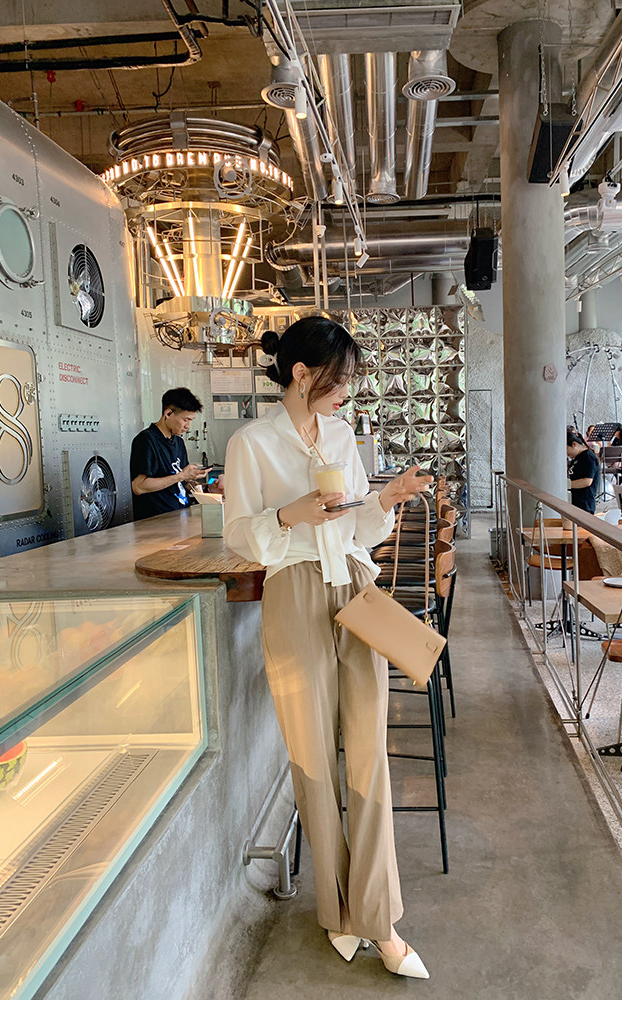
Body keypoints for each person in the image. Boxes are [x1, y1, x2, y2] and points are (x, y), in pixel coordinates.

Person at [222, 316, 433, 979]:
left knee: (369, 755)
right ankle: (338, 911)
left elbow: (360, 530)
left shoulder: (342, 436)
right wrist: (291, 515)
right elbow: (239, 536)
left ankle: (379, 919)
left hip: (355, 588)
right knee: (312, 759)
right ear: (301, 373)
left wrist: (386, 498)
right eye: (338, 381)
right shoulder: (251, 443)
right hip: (293, 594)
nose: (347, 393)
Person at [130, 387, 210, 520]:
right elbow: (139, 487)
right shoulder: (146, 440)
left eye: (191, 420)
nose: (188, 426)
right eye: (185, 420)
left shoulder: (178, 442)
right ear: (168, 414)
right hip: (157, 522)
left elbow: (182, 482)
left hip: (181, 517)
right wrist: (181, 476)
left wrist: (206, 488)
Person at [567, 427, 601, 514]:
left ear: (574, 444)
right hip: (577, 501)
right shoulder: (577, 457)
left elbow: (587, 481)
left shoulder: (588, 457)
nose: (566, 453)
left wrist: (567, 485)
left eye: (566, 449)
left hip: (585, 504)